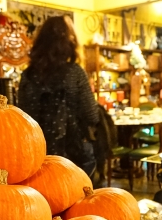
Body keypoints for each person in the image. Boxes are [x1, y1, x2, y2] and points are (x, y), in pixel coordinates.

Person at [18, 15, 100, 176]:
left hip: (36, 154)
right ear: (68, 42)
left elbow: (22, 118)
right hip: (72, 155)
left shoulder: (27, 76)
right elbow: (92, 115)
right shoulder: (75, 73)